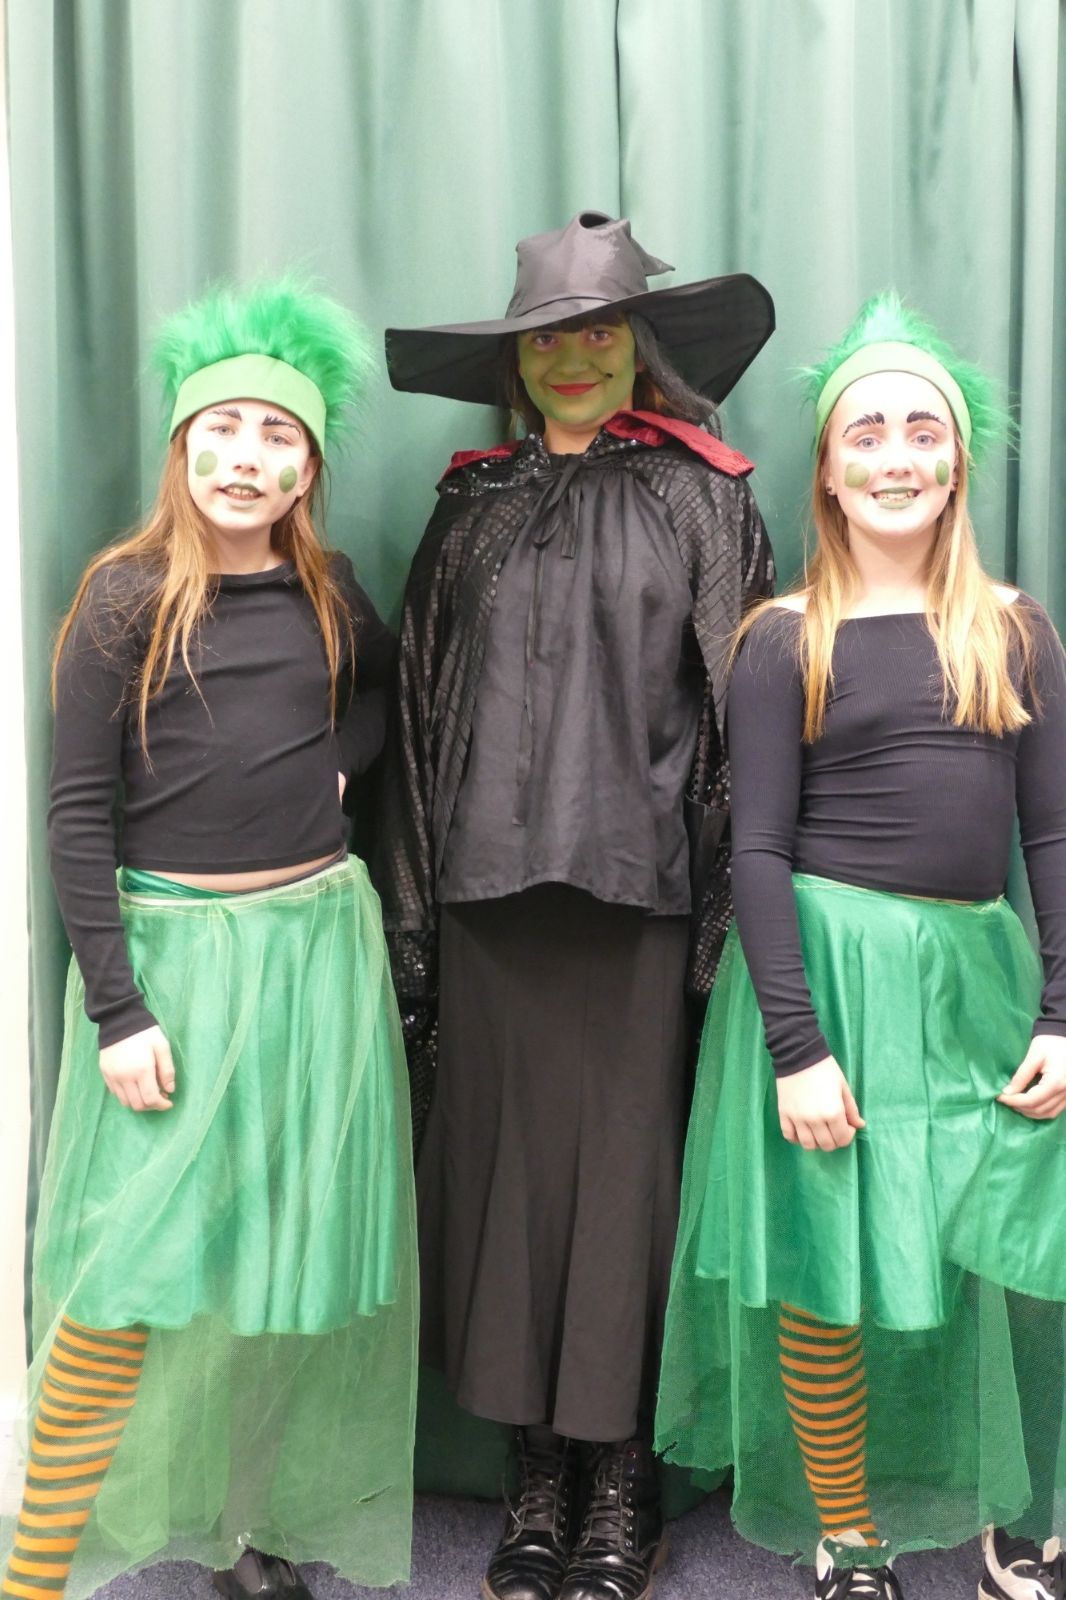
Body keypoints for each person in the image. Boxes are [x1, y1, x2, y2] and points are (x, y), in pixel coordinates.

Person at [378, 211, 775, 1600]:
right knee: (508, 1196)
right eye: (548, 337)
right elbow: (418, 720)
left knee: (625, 1201)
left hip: (638, 910)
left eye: (599, 330)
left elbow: (742, 719)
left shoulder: (704, 497)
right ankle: (534, 1480)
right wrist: (412, 929)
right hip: (488, 910)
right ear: (516, 359)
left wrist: (721, 931)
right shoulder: (469, 507)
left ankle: (621, 1485)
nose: (573, 357)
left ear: (638, 346)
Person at [0, 279, 417, 1600]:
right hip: (175, 969)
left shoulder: (328, 592)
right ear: (182, 447)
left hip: (314, 955)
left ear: (309, 468)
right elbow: (75, 814)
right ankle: (33, 1570)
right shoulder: (124, 598)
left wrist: (343, 764)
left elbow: (387, 696)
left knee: (274, 1264)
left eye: (277, 435)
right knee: (124, 1278)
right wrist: (117, 1010)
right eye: (221, 429)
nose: (246, 455)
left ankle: (242, 1533)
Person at [654, 293, 1066, 1599]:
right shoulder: (784, 638)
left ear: (957, 462)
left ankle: (1021, 1507)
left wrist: (1060, 1012)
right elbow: (757, 852)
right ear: (830, 471)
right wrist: (795, 1047)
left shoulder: (1014, 628)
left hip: (974, 983)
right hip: (825, 987)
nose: (896, 456)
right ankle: (846, 1531)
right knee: (823, 1265)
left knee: (1008, 1248)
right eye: (866, 434)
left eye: (921, 432)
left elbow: (1051, 836)